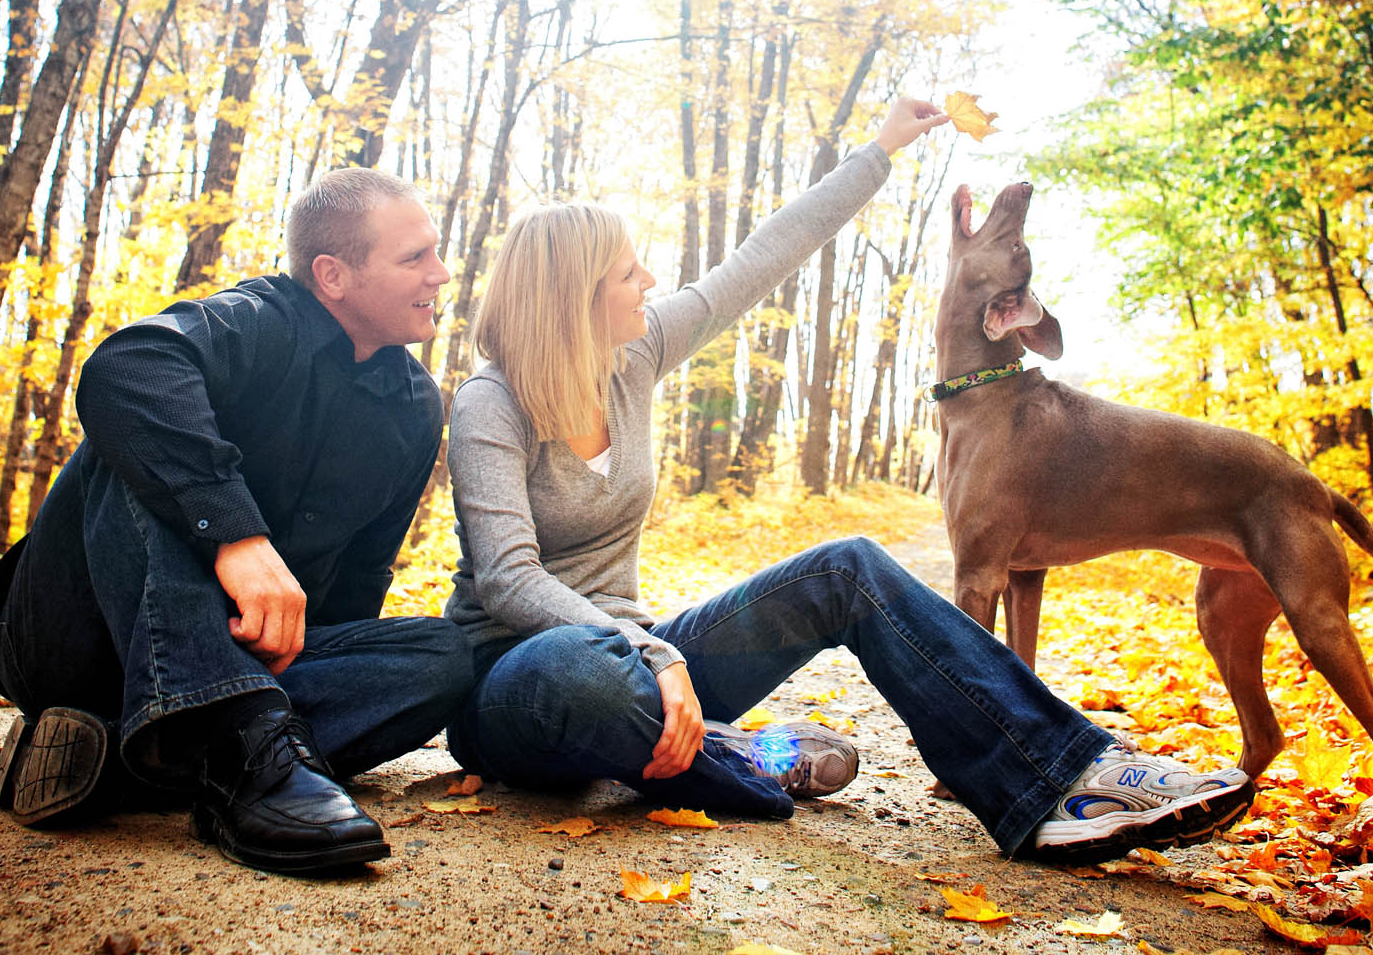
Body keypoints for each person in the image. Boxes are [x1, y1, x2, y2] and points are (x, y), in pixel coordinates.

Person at [442, 96, 1254, 862]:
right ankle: (741, 755)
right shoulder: (490, 405)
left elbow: (765, 253)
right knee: (575, 674)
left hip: (652, 672)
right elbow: (511, 581)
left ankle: (1061, 781)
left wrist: (883, 148)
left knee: (848, 566)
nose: (650, 283)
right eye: (628, 274)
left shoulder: (637, 352)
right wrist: (653, 652)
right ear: (574, 296)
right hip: (523, 684)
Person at [0, 169, 471, 874]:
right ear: (333, 275)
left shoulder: (416, 408)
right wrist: (237, 536)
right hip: (70, 640)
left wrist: (315, 645)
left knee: (447, 656)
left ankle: (127, 756)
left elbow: (363, 572)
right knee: (131, 441)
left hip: (235, 657)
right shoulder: (257, 321)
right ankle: (248, 750)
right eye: (414, 257)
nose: (441, 275)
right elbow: (125, 368)